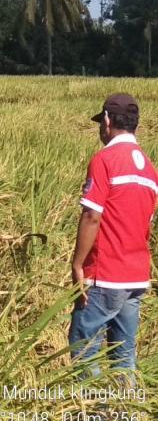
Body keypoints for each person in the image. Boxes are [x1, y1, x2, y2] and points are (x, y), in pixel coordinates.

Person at [70, 93, 157, 380]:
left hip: (106, 275)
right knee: (124, 354)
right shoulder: (149, 168)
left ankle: (92, 415)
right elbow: (146, 223)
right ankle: (127, 415)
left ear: (107, 120)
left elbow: (92, 216)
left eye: (101, 122)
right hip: (136, 276)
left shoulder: (105, 160)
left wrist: (78, 265)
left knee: (85, 349)